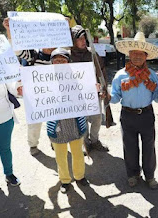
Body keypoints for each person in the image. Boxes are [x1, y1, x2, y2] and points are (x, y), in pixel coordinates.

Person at [109, 32, 158, 189]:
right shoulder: (120, 76)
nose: (138, 56)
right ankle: (132, 174)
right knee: (130, 146)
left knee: (149, 146)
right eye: (134, 53)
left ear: (146, 56)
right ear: (129, 55)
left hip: (146, 114)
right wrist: (104, 96)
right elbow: (114, 98)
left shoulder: (152, 75)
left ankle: (150, 176)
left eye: (141, 54)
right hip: (128, 116)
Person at [3, 18, 54, 156]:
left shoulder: (59, 57)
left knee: (55, 121)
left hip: (54, 97)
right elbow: (17, 49)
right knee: (35, 124)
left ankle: (55, 141)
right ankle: (33, 145)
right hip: (35, 97)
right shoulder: (33, 55)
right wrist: (10, 30)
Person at [47, 48, 89, 193]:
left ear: (68, 62)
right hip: (57, 124)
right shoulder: (43, 81)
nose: (59, 63)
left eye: (62, 60)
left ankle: (80, 176)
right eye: (56, 60)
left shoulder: (79, 78)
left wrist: (93, 89)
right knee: (60, 155)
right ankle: (65, 180)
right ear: (51, 62)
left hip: (74, 122)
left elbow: (86, 95)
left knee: (77, 152)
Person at [70, 25, 109, 153]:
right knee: (82, 120)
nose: (83, 41)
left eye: (84, 38)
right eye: (79, 39)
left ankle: (95, 140)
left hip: (93, 93)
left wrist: (103, 88)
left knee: (97, 118)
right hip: (76, 95)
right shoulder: (69, 56)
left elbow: (101, 71)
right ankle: (85, 142)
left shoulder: (92, 53)